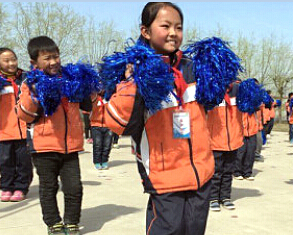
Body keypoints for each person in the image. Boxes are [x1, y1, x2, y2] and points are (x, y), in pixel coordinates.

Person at [103, 3, 236, 234]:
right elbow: (120, 125)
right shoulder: (136, 70)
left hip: (201, 173)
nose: (173, 32)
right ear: (146, 31)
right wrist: (130, 83)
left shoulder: (193, 68)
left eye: (178, 27)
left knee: (194, 229)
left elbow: (211, 104)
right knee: (168, 229)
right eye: (165, 26)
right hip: (164, 176)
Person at [16, 36, 91, 235]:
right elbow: (24, 114)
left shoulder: (69, 79)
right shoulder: (30, 83)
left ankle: (72, 222)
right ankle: (53, 223)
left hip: (71, 146)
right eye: (47, 58)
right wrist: (34, 95)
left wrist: (89, 86)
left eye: (56, 57)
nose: (53, 62)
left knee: (74, 187)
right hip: (44, 147)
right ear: (34, 63)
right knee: (48, 188)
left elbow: (87, 103)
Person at [0, 48, 33, 202]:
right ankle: (7, 187)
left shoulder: (26, 77)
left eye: (13, 59)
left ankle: (21, 187)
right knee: (5, 161)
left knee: (24, 161)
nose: (11, 63)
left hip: (24, 129)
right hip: (4, 129)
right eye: (6, 61)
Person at [206, 81, 243, 211]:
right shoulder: (210, 88)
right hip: (215, 139)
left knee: (228, 171)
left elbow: (254, 105)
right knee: (216, 171)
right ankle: (213, 198)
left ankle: (226, 197)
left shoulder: (239, 89)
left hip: (234, 139)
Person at [89, 91, 113, 170]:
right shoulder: (94, 96)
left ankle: (104, 160)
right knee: (97, 145)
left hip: (109, 125)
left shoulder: (110, 97)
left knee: (107, 145)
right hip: (96, 125)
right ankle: (97, 161)